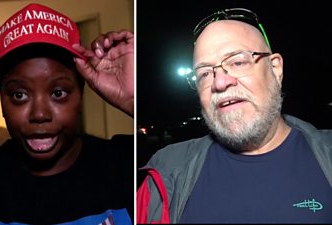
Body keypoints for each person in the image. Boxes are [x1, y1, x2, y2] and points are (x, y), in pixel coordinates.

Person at [0, 3, 134, 224]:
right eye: (19, 95)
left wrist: (133, 100)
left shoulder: (127, 166)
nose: (39, 114)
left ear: (81, 94)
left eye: (58, 93)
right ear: (1, 100)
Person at [137, 7, 332, 224]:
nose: (219, 83)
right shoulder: (166, 174)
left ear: (275, 69)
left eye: (237, 62)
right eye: (204, 74)